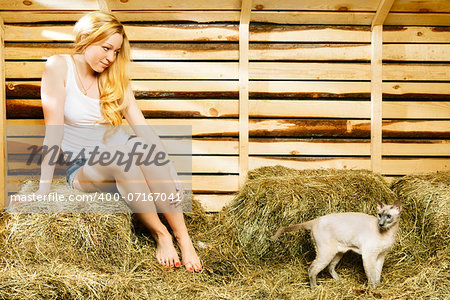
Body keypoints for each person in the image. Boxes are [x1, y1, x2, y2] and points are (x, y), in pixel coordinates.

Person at [36, 11, 202, 272]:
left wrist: (170, 170)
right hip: (85, 168)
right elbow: (53, 130)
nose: (111, 58)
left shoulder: (115, 76)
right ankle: (162, 234)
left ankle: (184, 237)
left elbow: (142, 128)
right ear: (87, 38)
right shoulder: (58, 66)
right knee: (123, 156)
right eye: (106, 48)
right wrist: (43, 189)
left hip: (124, 153)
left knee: (140, 146)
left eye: (116, 52)